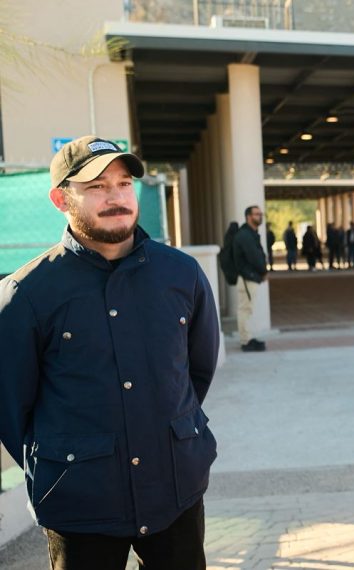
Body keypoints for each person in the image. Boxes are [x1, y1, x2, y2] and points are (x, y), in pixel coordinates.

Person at [0, 136, 220, 569]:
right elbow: (11, 410)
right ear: (60, 198)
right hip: (80, 503)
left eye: (123, 184)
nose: (116, 197)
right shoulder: (25, 294)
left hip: (174, 492)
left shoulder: (181, 274)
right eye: (97, 186)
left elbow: (197, 374)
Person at [234, 205, 269, 352]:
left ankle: (247, 338)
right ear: (249, 217)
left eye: (260, 214)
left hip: (249, 277)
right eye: (256, 214)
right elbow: (254, 257)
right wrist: (263, 271)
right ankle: (246, 341)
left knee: (247, 309)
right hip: (247, 278)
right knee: (245, 309)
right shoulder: (245, 235)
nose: (260, 216)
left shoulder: (250, 233)